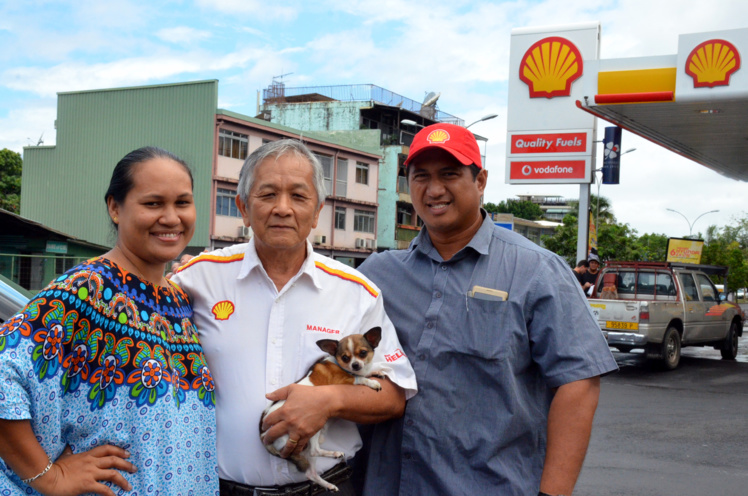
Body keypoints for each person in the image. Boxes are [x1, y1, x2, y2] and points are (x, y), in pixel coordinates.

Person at [355, 123, 618, 496]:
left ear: (480, 181)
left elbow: (579, 382)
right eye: (421, 176)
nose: (434, 190)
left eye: (449, 174)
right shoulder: (377, 275)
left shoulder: (535, 270)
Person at [170, 139, 417, 496]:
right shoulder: (198, 278)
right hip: (220, 488)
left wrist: (329, 400)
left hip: (328, 488)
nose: (282, 209)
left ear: (317, 211)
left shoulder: (356, 291)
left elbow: (394, 395)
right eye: (267, 194)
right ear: (242, 206)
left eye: (299, 197)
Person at [0, 147, 218, 495]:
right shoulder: (85, 290)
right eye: (153, 203)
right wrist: (48, 477)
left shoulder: (179, 300)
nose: (171, 217)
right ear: (115, 208)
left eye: (182, 203)